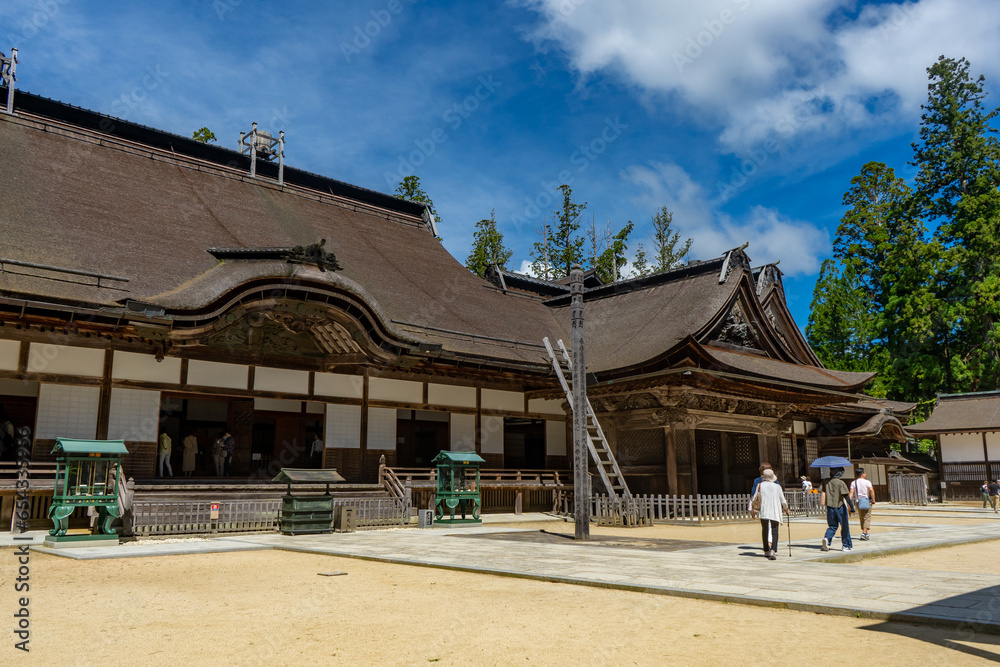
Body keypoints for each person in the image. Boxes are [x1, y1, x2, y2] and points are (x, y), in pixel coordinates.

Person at [750, 468, 790, 560]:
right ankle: (773, 550)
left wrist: (753, 508)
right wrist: (786, 508)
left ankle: (766, 550)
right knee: (775, 531)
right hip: (775, 510)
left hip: (764, 510)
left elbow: (755, 498)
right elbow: (783, 500)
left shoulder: (760, 485)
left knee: (765, 530)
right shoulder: (777, 487)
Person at [820, 467, 854, 552]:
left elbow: (822, 490)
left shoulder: (825, 481)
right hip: (840, 507)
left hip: (830, 507)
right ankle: (846, 545)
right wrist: (852, 507)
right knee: (845, 526)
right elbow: (846, 496)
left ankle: (827, 539)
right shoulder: (840, 483)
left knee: (832, 526)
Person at [850, 467, 875, 541]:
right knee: (867, 516)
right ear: (862, 474)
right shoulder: (867, 482)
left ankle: (865, 532)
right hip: (866, 501)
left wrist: (849, 502)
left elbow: (851, 492)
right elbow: (871, 490)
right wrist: (873, 499)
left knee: (861, 517)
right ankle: (864, 533)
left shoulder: (853, 483)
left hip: (858, 501)